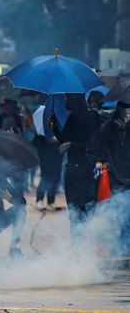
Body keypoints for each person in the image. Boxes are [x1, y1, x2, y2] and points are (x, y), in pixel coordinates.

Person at [51, 93, 101, 239]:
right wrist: (54, 127)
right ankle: (77, 249)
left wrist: (73, 146)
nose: (65, 100)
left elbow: (94, 145)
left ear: (76, 99)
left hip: (86, 171)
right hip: (72, 169)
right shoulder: (72, 117)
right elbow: (64, 142)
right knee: (74, 213)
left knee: (86, 212)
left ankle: (88, 248)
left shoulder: (91, 117)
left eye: (68, 97)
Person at [91, 101, 130, 254]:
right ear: (119, 110)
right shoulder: (107, 128)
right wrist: (99, 163)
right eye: (126, 109)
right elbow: (95, 150)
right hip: (115, 177)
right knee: (118, 216)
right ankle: (120, 251)